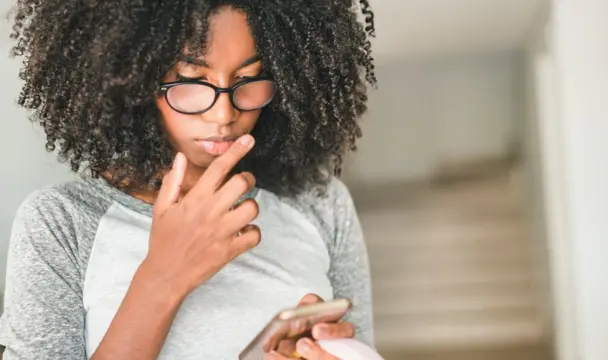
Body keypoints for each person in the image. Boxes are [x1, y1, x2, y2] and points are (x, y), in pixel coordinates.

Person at [0, 0, 377, 359]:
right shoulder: (60, 223)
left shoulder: (321, 204)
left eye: (250, 78)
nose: (223, 113)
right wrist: (163, 278)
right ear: (130, 78)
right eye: (191, 79)